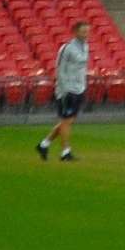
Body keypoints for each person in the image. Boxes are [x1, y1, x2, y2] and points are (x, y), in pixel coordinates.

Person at [39, 19, 90, 161]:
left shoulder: (86, 46)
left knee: (68, 121)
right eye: (83, 31)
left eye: (87, 31)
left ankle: (44, 144)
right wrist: (63, 89)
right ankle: (65, 152)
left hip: (79, 88)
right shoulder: (67, 48)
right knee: (66, 121)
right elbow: (59, 69)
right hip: (67, 89)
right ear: (75, 32)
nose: (86, 34)